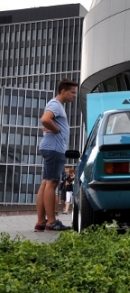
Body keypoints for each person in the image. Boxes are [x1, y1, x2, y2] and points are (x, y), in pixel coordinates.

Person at [35, 78, 78, 232]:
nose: (74, 96)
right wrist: (56, 130)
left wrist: (53, 128)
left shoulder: (57, 105)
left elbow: (47, 121)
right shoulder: (55, 104)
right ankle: (51, 222)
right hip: (54, 149)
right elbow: (45, 119)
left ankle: (41, 222)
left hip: (51, 148)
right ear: (63, 91)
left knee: (46, 183)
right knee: (51, 184)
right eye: (72, 93)